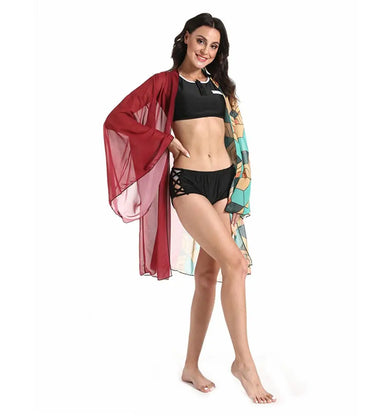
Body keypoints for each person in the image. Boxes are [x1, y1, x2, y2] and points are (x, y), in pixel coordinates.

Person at [103, 12, 276, 404]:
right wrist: (163, 140)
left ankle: (191, 367)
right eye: (201, 41)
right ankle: (244, 364)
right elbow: (117, 118)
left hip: (224, 185)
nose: (206, 51)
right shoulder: (164, 82)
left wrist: (238, 191)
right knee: (236, 264)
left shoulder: (219, 86)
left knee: (208, 275)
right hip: (190, 184)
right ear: (185, 38)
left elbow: (236, 140)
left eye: (214, 46)